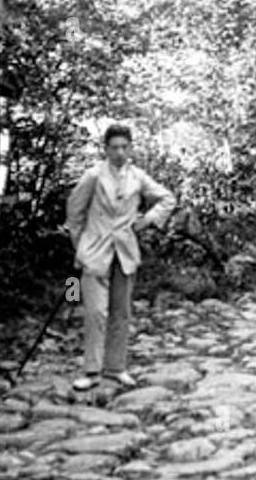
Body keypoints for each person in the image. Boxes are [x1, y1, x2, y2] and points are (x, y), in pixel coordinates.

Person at [65, 124, 175, 391]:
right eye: (114, 147)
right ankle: (91, 371)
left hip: (125, 252)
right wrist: (81, 248)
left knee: (121, 313)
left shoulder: (137, 176)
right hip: (95, 252)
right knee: (95, 313)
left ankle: (116, 368)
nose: (119, 152)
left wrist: (147, 220)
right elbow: (74, 213)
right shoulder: (93, 175)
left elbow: (167, 199)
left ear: (131, 148)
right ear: (105, 149)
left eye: (124, 147)